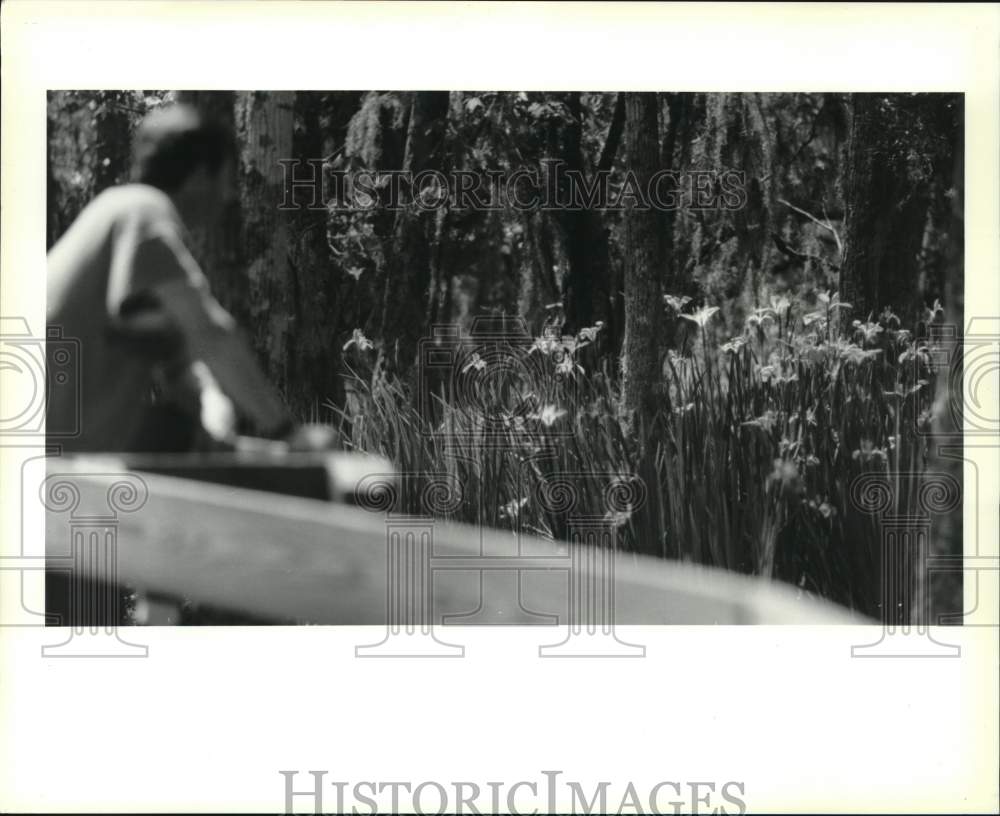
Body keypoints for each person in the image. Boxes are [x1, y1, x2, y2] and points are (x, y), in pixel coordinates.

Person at [47, 103, 294, 452]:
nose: (226, 196)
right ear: (198, 175)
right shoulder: (144, 211)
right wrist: (286, 432)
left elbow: (177, 358)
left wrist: (211, 409)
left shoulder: (118, 214)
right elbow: (210, 332)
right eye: (225, 179)